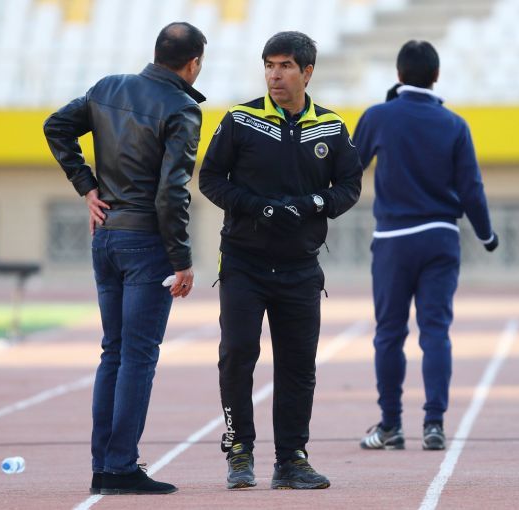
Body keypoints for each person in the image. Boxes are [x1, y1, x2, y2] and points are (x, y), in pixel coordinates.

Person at [43, 22, 206, 495]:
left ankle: (105, 465)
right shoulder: (182, 108)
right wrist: (182, 258)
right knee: (137, 356)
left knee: (113, 353)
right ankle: (119, 466)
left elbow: (55, 126)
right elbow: (171, 193)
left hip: (106, 236)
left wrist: (87, 186)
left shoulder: (108, 87)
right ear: (194, 63)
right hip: (146, 244)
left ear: (157, 53)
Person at [199, 31, 362, 490]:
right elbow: (210, 179)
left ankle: (291, 460)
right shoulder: (241, 119)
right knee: (237, 356)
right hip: (244, 264)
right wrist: (260, 208)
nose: (275, 74)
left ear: (307, 73)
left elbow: (350, 185)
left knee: (298, 366)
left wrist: (313, 204)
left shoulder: (331, 126)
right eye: (269, 65)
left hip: (301, 268)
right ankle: (239, 450)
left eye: (285, 65)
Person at [352, 40, 499, 452]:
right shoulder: (454, 124)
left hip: (393, 241)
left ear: (398, 75)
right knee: (435, 331)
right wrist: (486, 234)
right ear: (436, 76)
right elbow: (471, 188)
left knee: (389, 333)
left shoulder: (378, 116)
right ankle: (434, 424)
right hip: (440, 237)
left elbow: (348, 169)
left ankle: (390, 425)